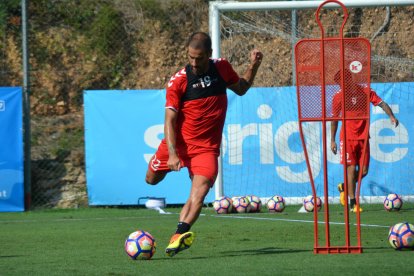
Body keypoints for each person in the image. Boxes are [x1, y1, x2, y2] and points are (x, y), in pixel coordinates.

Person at [145, 32, 263, 257]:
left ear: (209, 54)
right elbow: (169, 119)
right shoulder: (179, 80)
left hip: (206, 149)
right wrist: (171, 154)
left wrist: (254, 65)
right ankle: (179, 230)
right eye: (190, 57)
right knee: (151, 180)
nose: (194, 62)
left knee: (198, 193)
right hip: (178, 145)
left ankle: (179, 235)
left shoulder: (222, 68)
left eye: (199, 58)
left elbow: (241, 88)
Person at [330, 69, 398, 212]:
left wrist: (391, 116)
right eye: (339, 83)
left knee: (364, 171)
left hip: (363, 137)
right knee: (351, 168)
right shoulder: (338, 97)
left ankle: (344, 187)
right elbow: (334, 120)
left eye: (344, 81)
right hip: (347, 138)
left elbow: (381, 103)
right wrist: (332, 140)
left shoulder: (365, 90)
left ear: (350, 79)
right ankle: (353, 202)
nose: (342, 85)